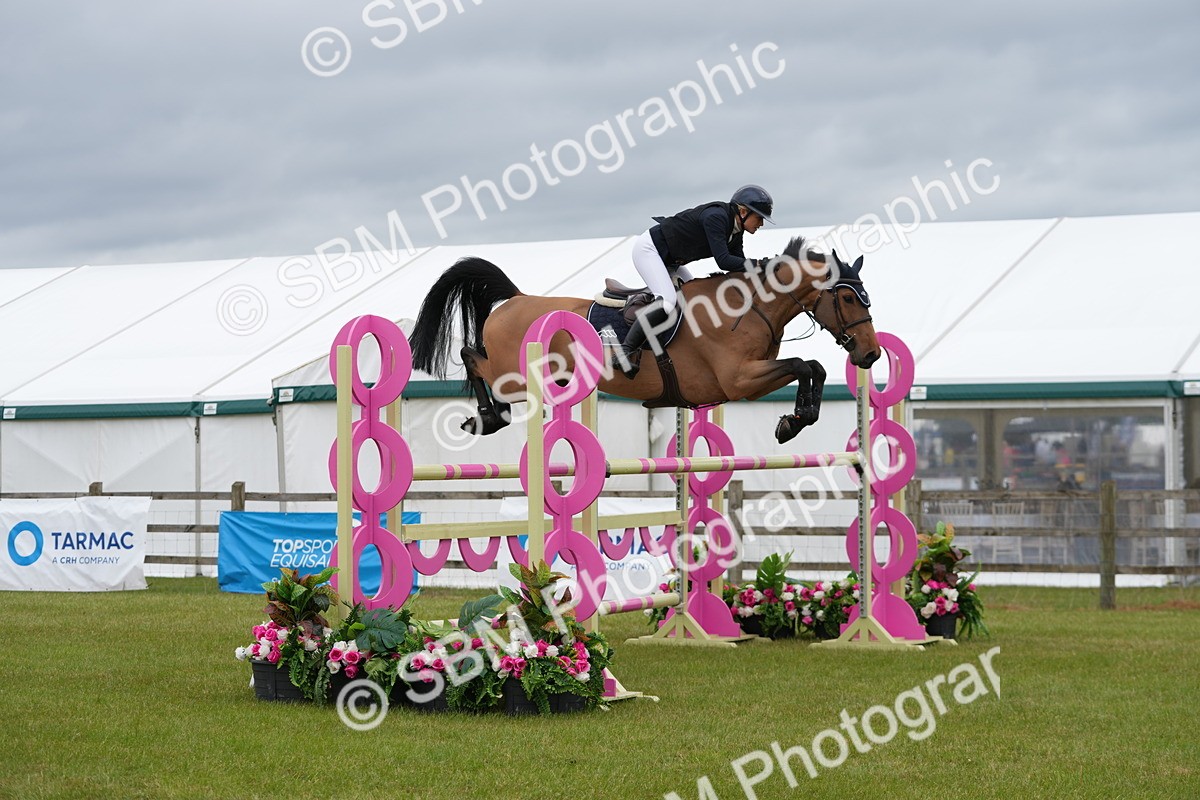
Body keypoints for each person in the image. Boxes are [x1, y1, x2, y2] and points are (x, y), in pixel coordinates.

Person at [614, 184, 775, 378]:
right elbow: (724, 261)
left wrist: (764, 273)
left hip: (671, 259)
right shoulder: (717, 217)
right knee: (667, 302)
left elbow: (738, 266)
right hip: (650, 250)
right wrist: (759, 264)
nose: (761, 224)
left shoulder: (736, 230)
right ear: (743, 211)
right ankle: (624, 352)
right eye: (759, 218)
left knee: (692, 299)